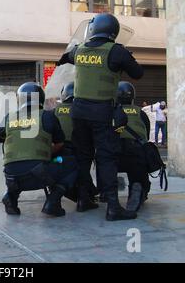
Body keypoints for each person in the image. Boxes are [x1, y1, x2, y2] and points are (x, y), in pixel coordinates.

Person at [57, 13, 143, 221]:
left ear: (94, 29)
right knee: (106, 158)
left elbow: (62, 59)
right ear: (113, 31)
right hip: (103, 114)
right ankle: (112, 206)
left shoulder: (79, 50)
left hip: (79, 112)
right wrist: (126, 57)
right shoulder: (116, 51)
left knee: (83, 157)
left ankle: (83, 198)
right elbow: (138, 73)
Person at [0, 82, 78, 217]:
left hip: (11, 177)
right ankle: (53, 201)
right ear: (40, 98)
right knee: (71, 162)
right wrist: (46, 152)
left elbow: (1, 134)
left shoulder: (9, 118)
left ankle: (11, 196)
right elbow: (59, 144)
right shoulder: (47, 116)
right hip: (39, 174)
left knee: (19, 165)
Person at [54, 82, 99, 206]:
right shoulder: (88, 111)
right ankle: (84, 197)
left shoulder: (54, 111)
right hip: (80, 152)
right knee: (84, 165)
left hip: (58, 155)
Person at [117, 81, 151, 212]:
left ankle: (107, 191)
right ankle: (137, 187)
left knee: (104, 165)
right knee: (139, 173)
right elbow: (146, 136)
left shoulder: (111, 112)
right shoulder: (140, 113)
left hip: (115, 154)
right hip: (136, 153)